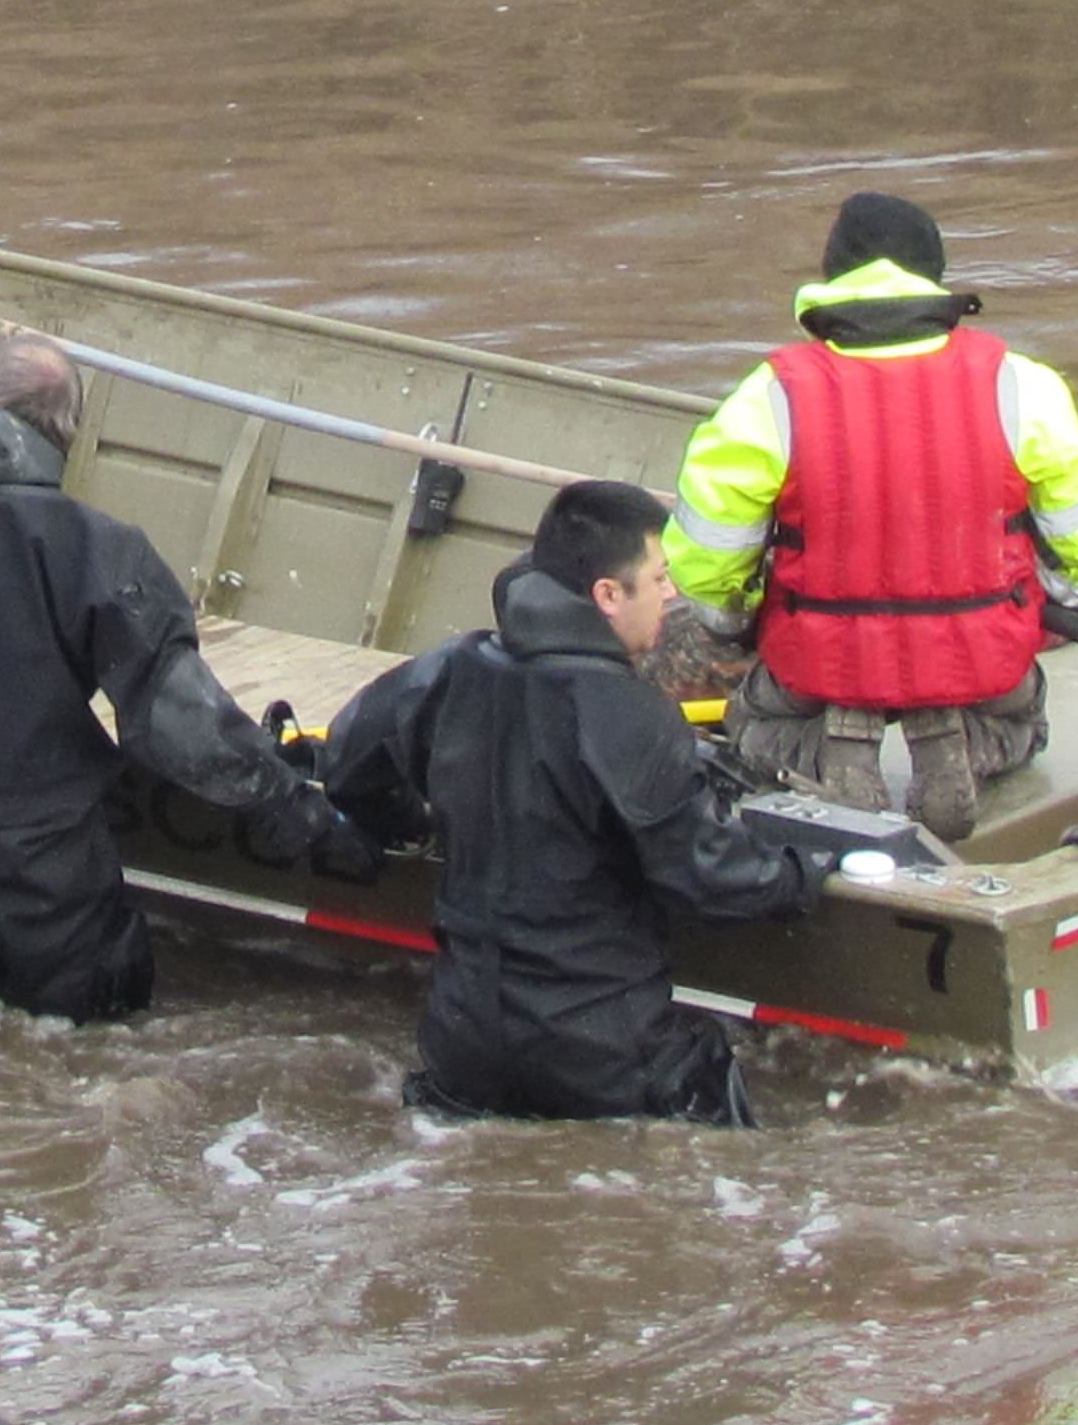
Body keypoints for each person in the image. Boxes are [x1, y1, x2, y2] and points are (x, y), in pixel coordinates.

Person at [0, 334, 377, 1025]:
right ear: (71, 434)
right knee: (78, 1062)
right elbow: (181, 725)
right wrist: (302, 811)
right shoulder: (102, 549)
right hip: (47, 898)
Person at [320, 480, 827, 1127]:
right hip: (600, 1055)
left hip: (463, 1040)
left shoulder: (448, 671)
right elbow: (708, 878)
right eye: (659, 578)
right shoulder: (636, 717)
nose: (673, 595)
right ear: (608, 596)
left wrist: (414, 823)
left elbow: (345, 764)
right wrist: (805, 872)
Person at [660, 192, 1078, 841]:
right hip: (981, 662)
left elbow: (711, 552)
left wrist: (734, 618)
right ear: (934, 278)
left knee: (756, 724)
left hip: (819, 664)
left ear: (832, 276)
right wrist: (1058, 597)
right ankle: (963, 742)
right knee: (1021, 718)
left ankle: (834, 751)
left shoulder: (768, 397)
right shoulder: (1019, 384)